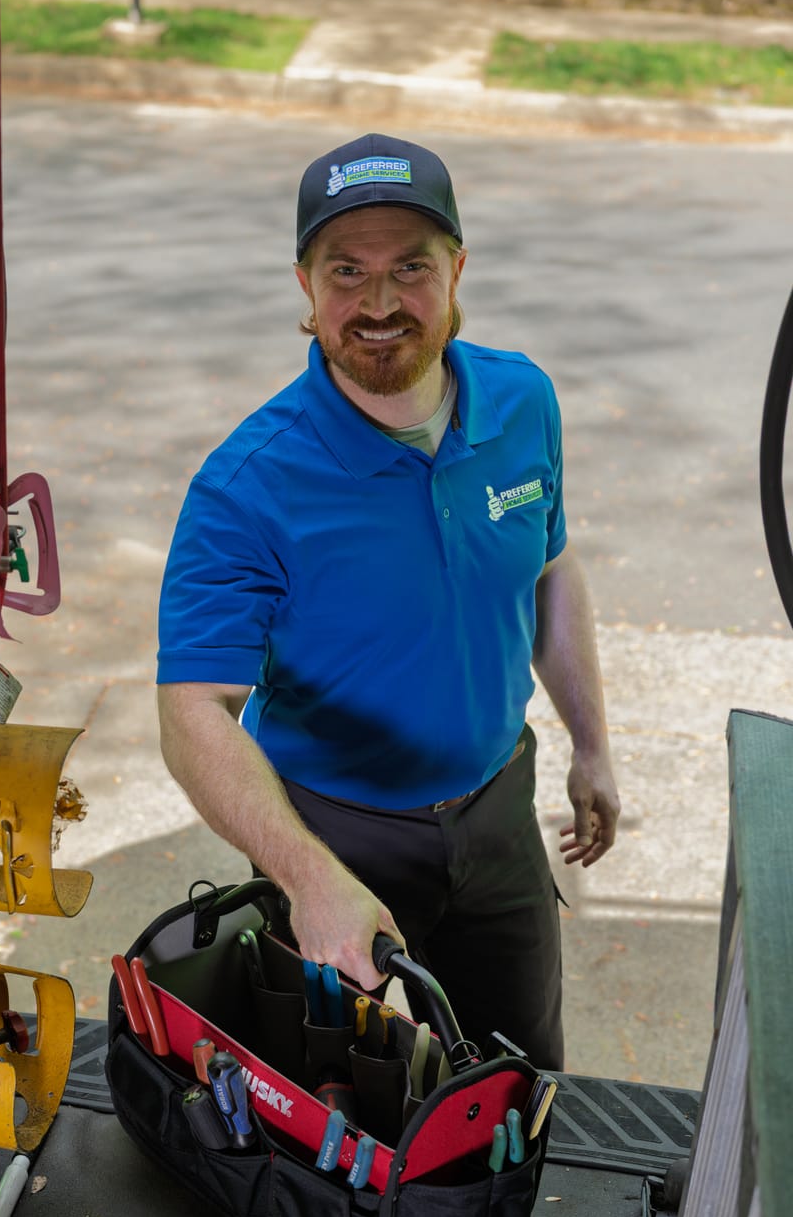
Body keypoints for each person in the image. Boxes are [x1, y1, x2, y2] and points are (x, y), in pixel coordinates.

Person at [156, 133, 619, 1071]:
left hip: (497, 811)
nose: (378, 303)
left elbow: (551, 571)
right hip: (331, 829)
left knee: (518, 1083)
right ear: (304, 284)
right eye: (346, 270)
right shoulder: (248, 484)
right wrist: (308, 878)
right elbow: (191, 710)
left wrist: (593, 745)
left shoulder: (523, 402)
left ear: (456, 269)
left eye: (410, 266)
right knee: (326, 1113)